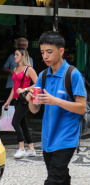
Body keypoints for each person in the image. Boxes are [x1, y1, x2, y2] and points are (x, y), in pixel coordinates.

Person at [26, 31, 86, 184]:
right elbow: (34, 110)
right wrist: (30, 100)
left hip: (66, 137)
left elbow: (81, 108)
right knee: (61, 177)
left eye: (49, 52)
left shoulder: (73, 74)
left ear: (61, 51)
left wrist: (56, 101)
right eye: (42, 52)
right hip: (48, 137)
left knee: (53, 180)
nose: (45, 56)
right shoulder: (43, 75)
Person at [3, 48, 38, 159]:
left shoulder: (29, 69)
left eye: (17, 54)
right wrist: (8, 102)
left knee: (15, 122)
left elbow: (38, 84)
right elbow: (14, 87)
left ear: (23, 56)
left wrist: (25, 89)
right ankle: (31, 149)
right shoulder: (15, 69)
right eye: (15, 54)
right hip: (16, 99)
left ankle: (21, 148)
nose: (15, 57)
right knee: (24, 125)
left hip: (25, 99)